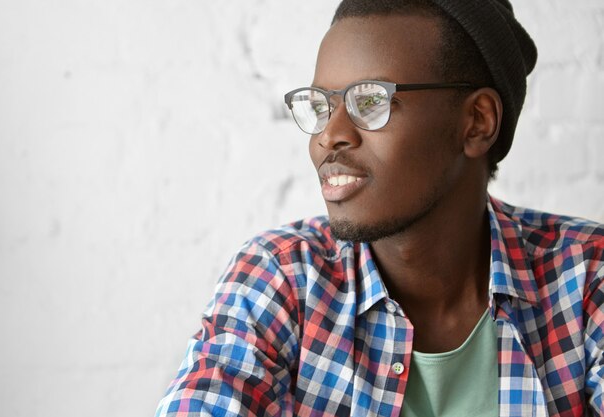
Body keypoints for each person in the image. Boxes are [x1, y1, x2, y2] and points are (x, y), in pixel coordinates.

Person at [155, 0, 604, 416]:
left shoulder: (584, 277)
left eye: (369, 101)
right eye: (321, 105)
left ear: (477, 122)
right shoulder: (282, 279)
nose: (329, 135)